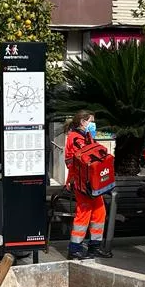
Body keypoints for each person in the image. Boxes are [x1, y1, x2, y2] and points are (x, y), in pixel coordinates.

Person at [64, 110, 112, 260]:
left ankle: (94, 247)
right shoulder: (75, 138)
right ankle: (74, 249)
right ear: (83, 122)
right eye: (91, 121)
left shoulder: (86, 136)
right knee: (83, 214)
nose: (93, 124)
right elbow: (84, 158)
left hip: (90, 182)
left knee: (99, 213)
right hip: (80, 182)